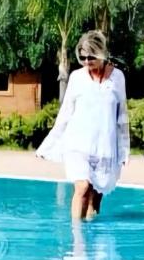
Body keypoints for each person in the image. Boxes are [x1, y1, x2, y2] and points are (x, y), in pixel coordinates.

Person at [36, 31, 130, 221]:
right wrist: (49, 143)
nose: (86, 61)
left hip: (105, 145)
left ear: (101, 53)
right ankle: (77, 242)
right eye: (83, 57)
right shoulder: (76, 78)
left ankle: (90, 232)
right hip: (78, 144)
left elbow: (122, 116)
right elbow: (65, 113)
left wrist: (124, 148)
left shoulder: (117, 77)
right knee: (82, 187)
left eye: (91, 57)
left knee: (94, 199)